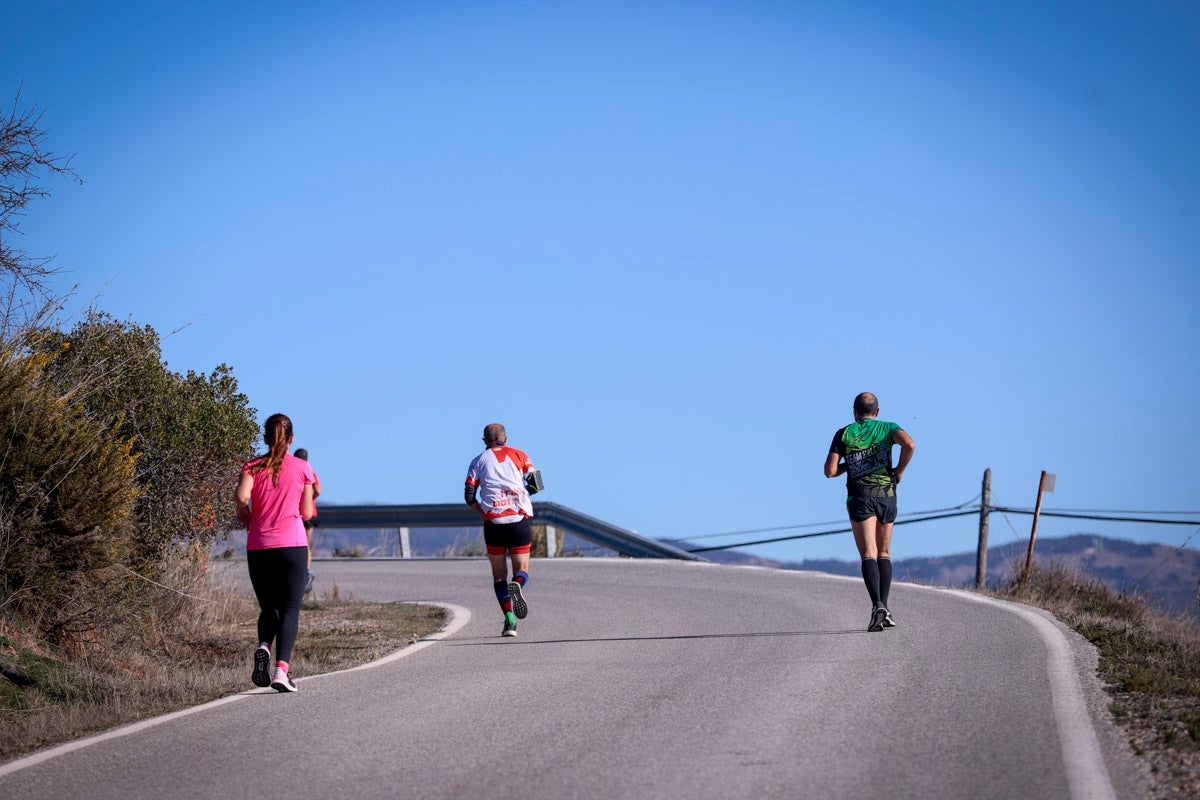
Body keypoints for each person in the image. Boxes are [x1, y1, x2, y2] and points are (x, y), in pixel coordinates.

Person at [236, 414, 317, 691]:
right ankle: (281, 671)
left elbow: (242, 496)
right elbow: (306, 512)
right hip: (292, 545)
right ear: (291, 438)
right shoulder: (302, 467)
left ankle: (263, 646)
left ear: (265, 438)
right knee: (290, 609)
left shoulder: (251, 466)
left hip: (259, 546)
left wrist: (243, 512)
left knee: (269, 607)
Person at [824, 392, 916, 632]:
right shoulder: (888, 428)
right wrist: (899, 470)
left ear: (855, 412)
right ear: (877, 412)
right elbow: (909, 444)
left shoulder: (843, 433)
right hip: (886, 495)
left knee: (868, 554)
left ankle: (877, 605)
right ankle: (883, 606)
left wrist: (853, 464)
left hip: (860, 497)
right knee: (884, 552)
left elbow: (830, 471)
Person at [464, 423, 541, 637]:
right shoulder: (520, 454)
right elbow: (538, 484)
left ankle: (509, 621)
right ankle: (517, 585)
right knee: (522, 569)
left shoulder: (477, 461)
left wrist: (483, 511)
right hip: (518, 519)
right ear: (506, 439)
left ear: (484, 441)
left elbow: (469, 496)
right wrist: (521, 496)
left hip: (493, 523)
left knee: (499, 576)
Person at [292, 448, 322, 595]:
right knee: (306, 544)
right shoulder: (311, 473)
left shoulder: (293, 472)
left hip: (296, 511)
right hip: (309, 513)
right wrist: (310, 499)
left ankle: (302, 570)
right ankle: (305, 570)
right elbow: (318, 490)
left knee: (296, 543)